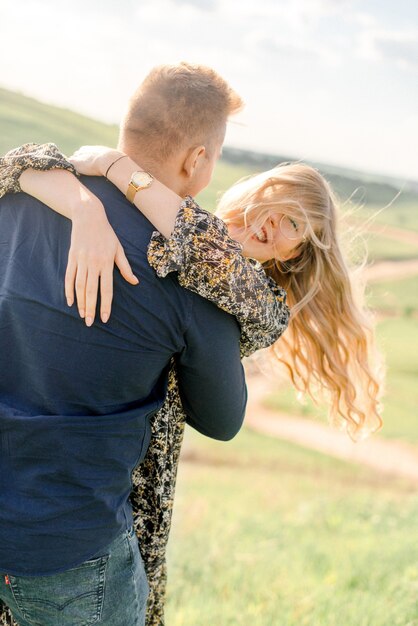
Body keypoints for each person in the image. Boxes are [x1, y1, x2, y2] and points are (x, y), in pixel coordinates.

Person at [0, 64, 291, 626]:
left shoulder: (17, 199)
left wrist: (86, 204)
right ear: (196, 160)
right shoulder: (190, 268)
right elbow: (222, 419)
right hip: (70, 550)